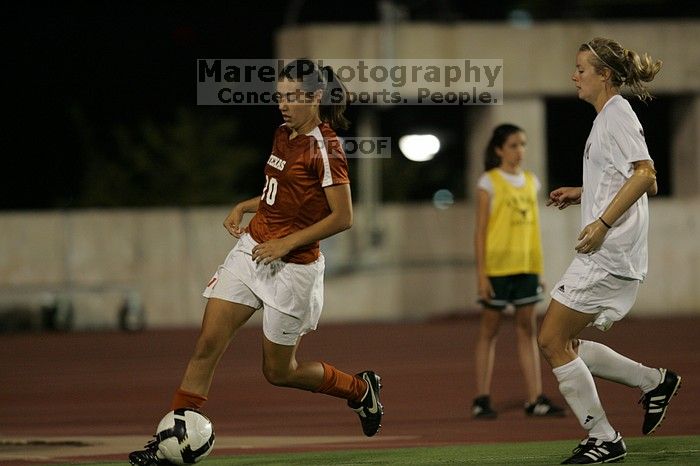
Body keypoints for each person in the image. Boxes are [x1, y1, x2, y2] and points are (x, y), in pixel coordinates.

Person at [129, 59, 383, 466]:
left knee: (280, 372)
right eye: (279, 96)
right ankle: (168, 442)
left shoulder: (327, 147)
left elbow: (343, 217)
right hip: (252, 252)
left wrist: (285, 244)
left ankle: (359, 390)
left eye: (292, 97)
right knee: (207, 344)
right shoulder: (283, 134)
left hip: (293, 269)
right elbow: (278, 193)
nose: (282, 105)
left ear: (315, 96)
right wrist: (245, 206)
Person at [538, 37, 680, 464]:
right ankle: (653, 382)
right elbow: (645, 182)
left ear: (605, 75)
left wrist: (600, 223)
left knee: (552, 339)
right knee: (566, 341)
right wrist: (585, 194)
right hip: (612, 251)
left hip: (609, 250)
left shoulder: (616, 114)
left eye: (582, 68)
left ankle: (604, 437)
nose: (575, 75)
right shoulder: (608, 119)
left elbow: (646, 175)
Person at [472, 124, 565, 419]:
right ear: (499, 149)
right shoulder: (489, 182)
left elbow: (535, 229)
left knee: (528, 332)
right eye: (513, 145)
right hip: (498, 269)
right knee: (490, 332)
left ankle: (535, 398)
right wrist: (482, 274)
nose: (519, 150)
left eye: (522, 144)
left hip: (526, 267)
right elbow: (481, 231)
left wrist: (538, 269)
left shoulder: (531, 181)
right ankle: (482, 398)